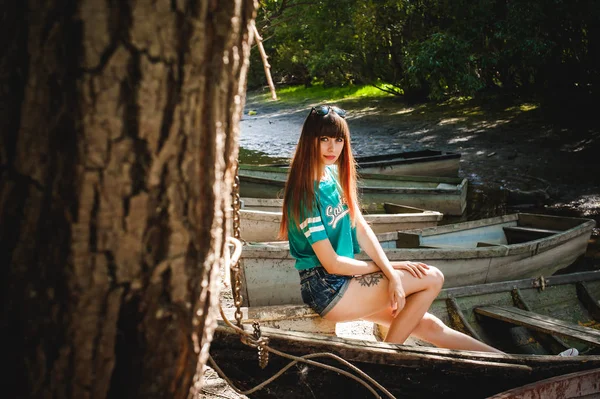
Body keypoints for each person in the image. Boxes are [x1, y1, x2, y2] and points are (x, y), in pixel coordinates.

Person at [278, 104, 502, 353]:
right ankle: (386, 356)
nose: (333, 148)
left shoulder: (331, 175)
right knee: (432, 277)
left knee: (428, 325)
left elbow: (361, 229)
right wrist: (392, 270)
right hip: (325, 289)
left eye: (339, 139)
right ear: (310, 140)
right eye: (324, 139)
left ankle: (510, 362)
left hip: (346, 283)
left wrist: (391, 272)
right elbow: (332, 264)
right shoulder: (304, 194)